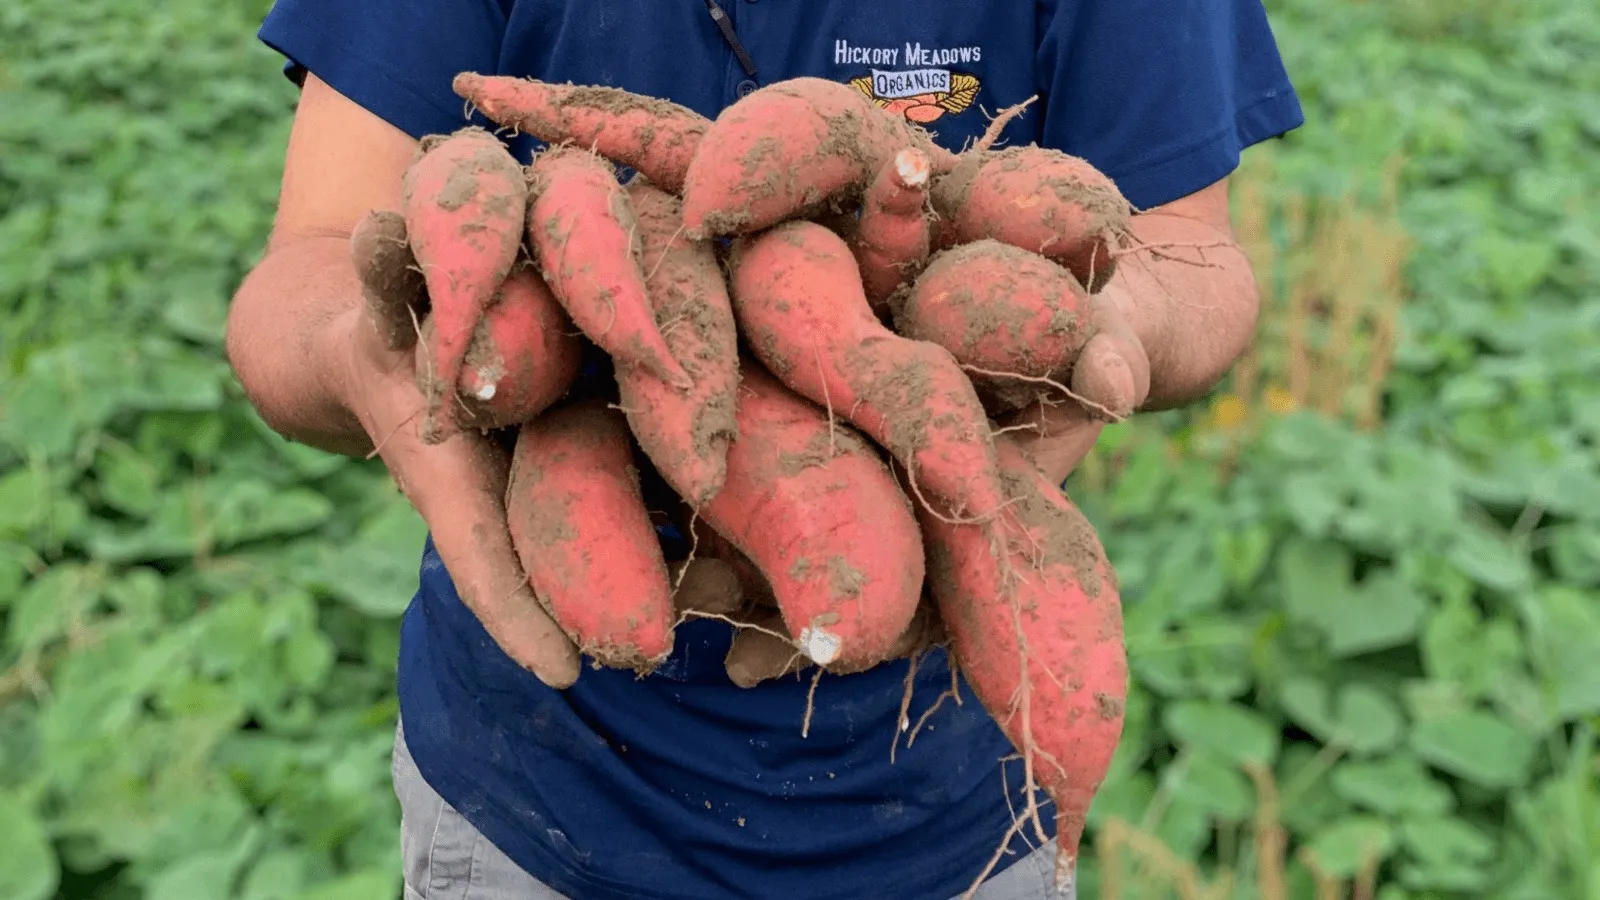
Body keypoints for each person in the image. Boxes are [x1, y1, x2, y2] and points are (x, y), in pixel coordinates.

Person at [226, 2, 1303, 897]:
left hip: (959, 811)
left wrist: (1126, 325)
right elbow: (299, 275)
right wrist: (373, 345)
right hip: (528, 814)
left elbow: (1191, 250)